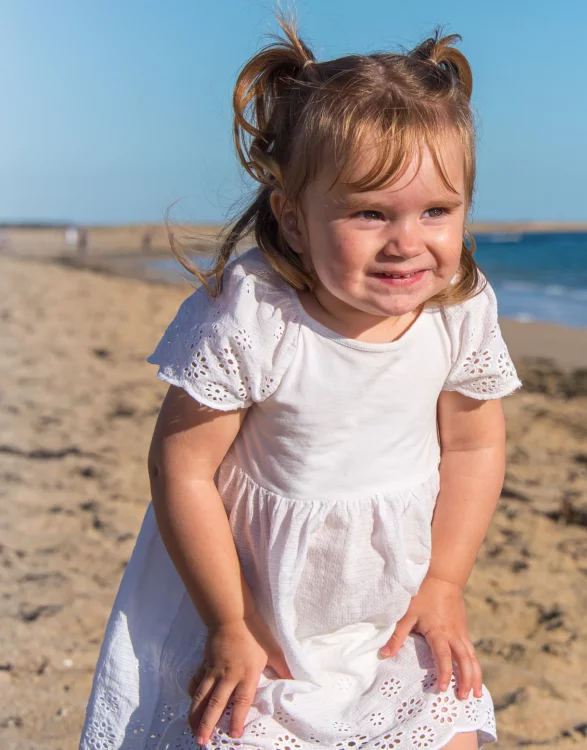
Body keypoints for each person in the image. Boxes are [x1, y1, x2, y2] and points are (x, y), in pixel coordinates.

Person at [79, 14, 520, 750]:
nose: (408, 241)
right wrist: (228, 621)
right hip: (257, 600)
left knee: (447, 727)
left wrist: (445, 583)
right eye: (370, 213)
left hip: (390, 602)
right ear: (292, 218)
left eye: (436, 211)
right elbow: (180, 468)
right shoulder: (256, 315)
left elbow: (474, 448)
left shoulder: (460, 309)